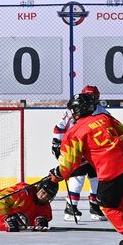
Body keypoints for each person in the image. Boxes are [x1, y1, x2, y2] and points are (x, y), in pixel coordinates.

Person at [52, 92, 123, 245]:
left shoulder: (74, 132)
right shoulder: (105, 118)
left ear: (77, 112)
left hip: (111, 169)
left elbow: (69, 164)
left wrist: (57, 174)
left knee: (106, 204)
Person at [51, 86, 106, 222]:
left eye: (94, 97)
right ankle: (71, 208)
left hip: (93, 150)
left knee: (96, 178)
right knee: (78, 177)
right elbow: (59, 127)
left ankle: (95, 207)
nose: (92, 100)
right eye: (89, 97)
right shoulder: (73, 110)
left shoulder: (101, 111)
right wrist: (56, 142)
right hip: (76, 148)